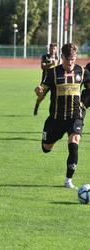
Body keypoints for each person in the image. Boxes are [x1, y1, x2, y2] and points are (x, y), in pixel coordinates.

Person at [34, 43, 90, 188]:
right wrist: (39, 92)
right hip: (56, 119)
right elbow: (42, 91)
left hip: (75, 116)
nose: (70, 63)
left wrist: (84, 103)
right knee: (46, 148)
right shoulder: (52, 73)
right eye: (67, 60)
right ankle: (50, 140)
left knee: (74, 143)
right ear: (62, 57)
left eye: (73, 59)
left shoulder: (82, 72)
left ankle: (68, 180)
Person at [34, 43, 59, 115]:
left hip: (55, 80)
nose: (52, 50)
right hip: (46, 80)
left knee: (55, 97)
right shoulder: (45, 57)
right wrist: (51, 64)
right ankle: (37, 106)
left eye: (54, 49)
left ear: (56, 50)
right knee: (41, 96)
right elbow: (42, 67)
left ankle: (54, 112)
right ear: (49, 49)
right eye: (51, 48)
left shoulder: (59, 57)